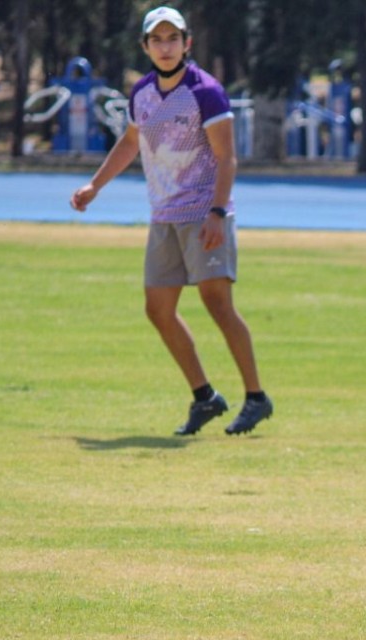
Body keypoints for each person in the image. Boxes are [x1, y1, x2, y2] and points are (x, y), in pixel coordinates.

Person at [70, 6, 273, 436]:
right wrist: (95, 186)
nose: (165, 47)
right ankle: (205, 397)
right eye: (156, 40)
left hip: (203, 213)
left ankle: (256, 397)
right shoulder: (142, 93)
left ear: (187, 44)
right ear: (145, 47)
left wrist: (218, 213)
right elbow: (130, 144)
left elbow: (226, 158)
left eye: (172, 38)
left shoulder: (206, 91)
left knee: (218, 305)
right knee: (158, 310)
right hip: (163, 215)